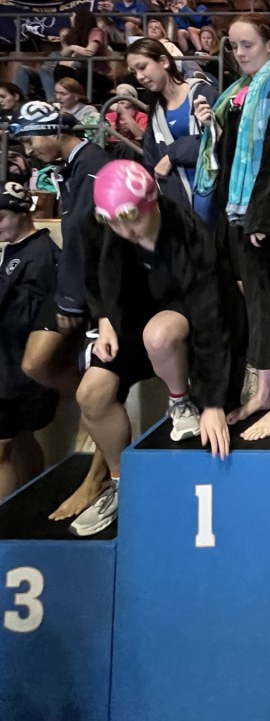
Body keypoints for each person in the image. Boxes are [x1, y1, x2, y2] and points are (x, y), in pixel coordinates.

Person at [71, 161, 232, 536]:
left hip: (179, 324)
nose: (125, 231)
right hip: (128, 322)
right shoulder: (98, 222)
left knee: (158, 335)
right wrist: (103, 320)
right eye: (115, 223)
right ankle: (121, 483)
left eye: (133, 220)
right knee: (90, 395)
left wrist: (213, 403)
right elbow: (92, 274)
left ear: (152, 204)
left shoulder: (190, 233)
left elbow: (212, 318)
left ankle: (181, 401)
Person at [194, 15, 270, 439]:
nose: (240, 53)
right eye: (234, 46)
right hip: (237, 217)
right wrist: (211, 125)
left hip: (268, 222)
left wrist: (263, 218)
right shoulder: (235, 95)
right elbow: (226, 160)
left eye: (248, 44)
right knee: (257, 309)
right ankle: (264, 391)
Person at [10, 102, 111, 520]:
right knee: (35, 363)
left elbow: (93, 242)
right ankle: (94, 411)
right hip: (76, 287)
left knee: (102, 388)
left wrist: (74, 300)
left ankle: (100, 472)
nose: (29, 149)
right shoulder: (68, 167)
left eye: (32, 138)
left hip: (97, 294)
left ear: (54, 131)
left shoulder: (93, 166)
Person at [0, 183, 60, 498]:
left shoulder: (40, 255)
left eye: (1, 218)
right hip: (11, 366)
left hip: (20, 371)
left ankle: (9, 518)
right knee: (22, 440)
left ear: (22, 214)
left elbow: (27, 318)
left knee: (3, 448)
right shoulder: (19, 249)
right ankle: (29, 502)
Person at [127, 39, 217, 218]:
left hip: (210, 197)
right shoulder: (155, 110)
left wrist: (171, 156)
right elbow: (152, 160)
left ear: (164, 61)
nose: (139, 77)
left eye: (142, 67)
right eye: (134, 72)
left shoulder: (203, 93)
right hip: (178, 205)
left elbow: (214, 142)